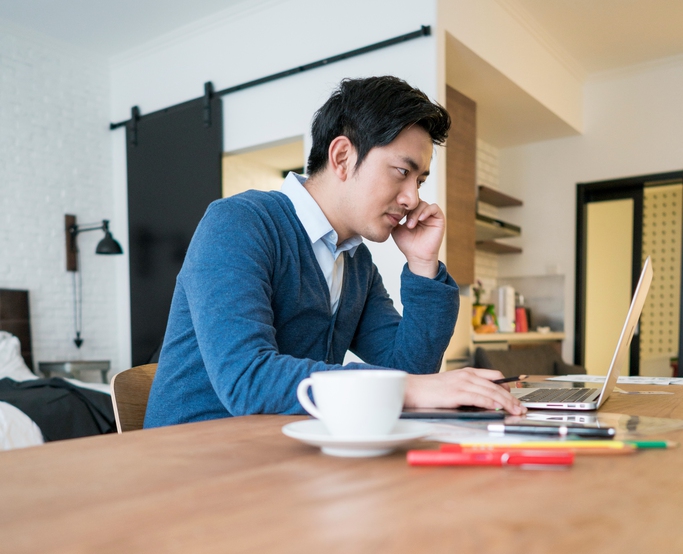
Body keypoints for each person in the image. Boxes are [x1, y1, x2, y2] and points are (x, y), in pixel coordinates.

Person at [144, 76, 524, 427]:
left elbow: (410, 368)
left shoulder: (356, 261)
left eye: (419, 181)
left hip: (284, 454)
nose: (413, 198)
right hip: (191, 463)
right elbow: (248, 379)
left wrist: (423, 264)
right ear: (342, 157)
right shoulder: (238, 222)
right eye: (401, 172)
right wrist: (408, 388)